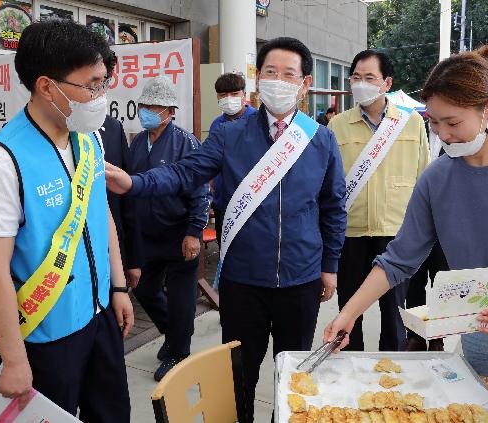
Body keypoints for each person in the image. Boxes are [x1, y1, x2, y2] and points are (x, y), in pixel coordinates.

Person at [106, 37, 347, 421]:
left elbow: (333, 207)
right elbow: (187, 172)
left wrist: (330, 264)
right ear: (258, 79)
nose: (278, 81)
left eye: (288, 74)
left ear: (304, 84)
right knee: (239, 374)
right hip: (243, 281)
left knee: (294, 375)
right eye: (270, 72)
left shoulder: (320, 138)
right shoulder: (230, 134)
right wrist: (136, 183)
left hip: (300, 279)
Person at [324, 43, 488, 377]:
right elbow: (399, 258)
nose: (443, 135)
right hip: (478, 319)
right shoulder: (436, 179)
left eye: (452, 123)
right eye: (434, 123)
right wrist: (348, 314)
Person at [0, 20, 133, 421]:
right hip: (45, 333)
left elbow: (101, 216)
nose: (101, 96)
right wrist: (13, 360)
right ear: (47, 86)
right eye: (92, 85)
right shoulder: (1, 162)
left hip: (99, 314)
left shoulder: (88, 138)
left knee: (113, 413)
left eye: (104, 83)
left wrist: (118, 286)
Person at [328, 50, 429, 352]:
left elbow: (423, 177)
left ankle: (391, 372)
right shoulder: (337, 126)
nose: (361, 83)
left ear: (387, 83)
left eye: (369, 78)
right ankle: (351, 369)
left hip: (396, 234)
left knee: (394, 314)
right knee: (349, 309)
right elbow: (330, 183)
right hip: (351, 233)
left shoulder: (411, 123)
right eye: (356, 77)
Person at [129, 76, 210, 381]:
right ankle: (174, 333)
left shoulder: (185, 142)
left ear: (169, 110)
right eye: (144, 106)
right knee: (147, 290)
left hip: (179, 235)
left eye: (153, 107)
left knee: (181, 298)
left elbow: (200, 190)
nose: (147, 112)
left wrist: (193, 232)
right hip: (148, 236)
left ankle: (178, 351)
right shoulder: (138, 142)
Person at [210, 73, 258, 245]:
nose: (228, 99)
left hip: (251, 203)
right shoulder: (216, 124)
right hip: (222, 201)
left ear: (244, 94)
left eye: (234, 94)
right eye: (223, 95)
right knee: (225, 250)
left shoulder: (257, 120)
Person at [99, 115, 144, 289]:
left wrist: (133, 259)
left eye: (102, 86)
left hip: (112, 252)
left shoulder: (112, 127)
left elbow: (127, 198)